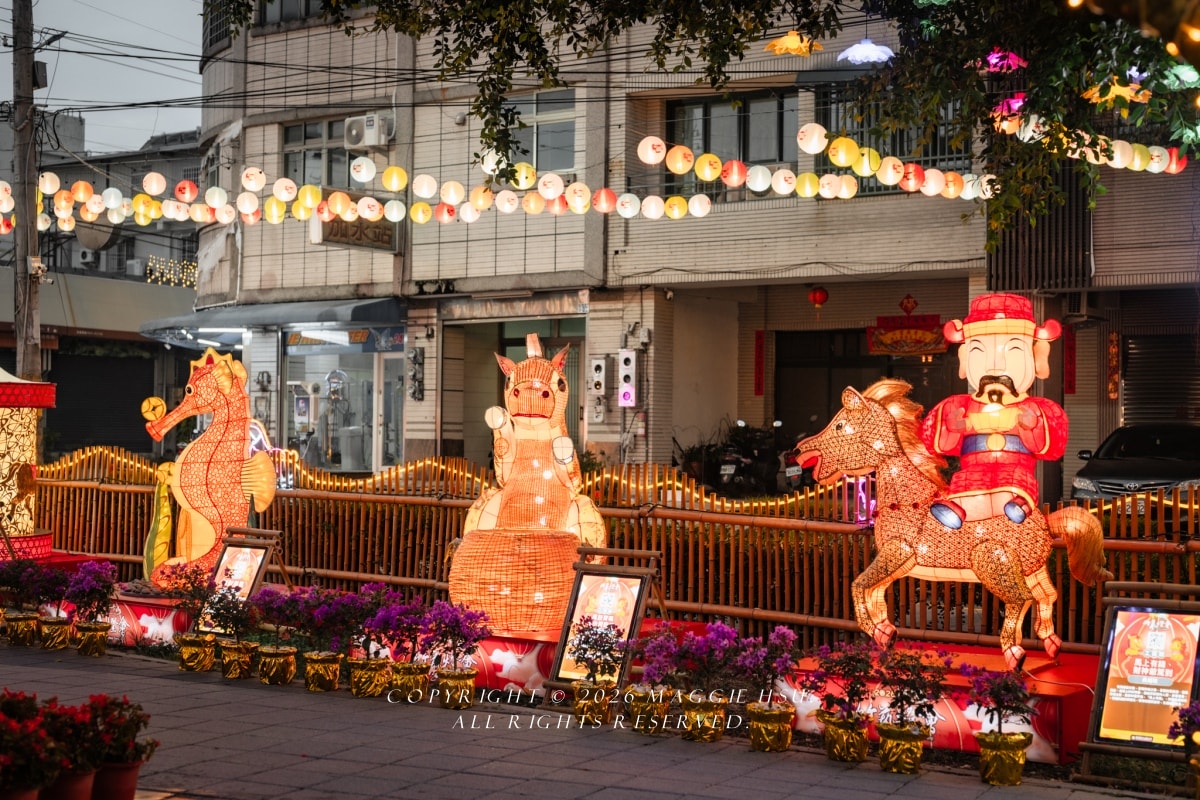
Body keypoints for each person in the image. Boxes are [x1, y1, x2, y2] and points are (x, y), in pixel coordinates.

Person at [919, 293, 1068, 529]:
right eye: (980, 351)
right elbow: (933, 442)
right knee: (965, 484)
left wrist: (1035, 426)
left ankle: (1019, 506)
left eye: (1013, 351)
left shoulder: (1037, 407)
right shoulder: (958, 405)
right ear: (965, 358)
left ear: (1037, 357)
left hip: (1015, 467)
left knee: (1014, 484)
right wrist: (951, 427)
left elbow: (1053, 447)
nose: (995, 365)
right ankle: (958, 510)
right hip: (973, 469)